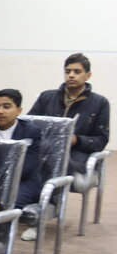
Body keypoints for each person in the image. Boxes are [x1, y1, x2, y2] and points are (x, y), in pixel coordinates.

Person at [28, 52, 110, 189]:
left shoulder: (100, 103)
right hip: (45, 149)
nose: (71, 75)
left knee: (54, 160)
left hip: (76, 155)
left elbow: (101, 140)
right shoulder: (46, 97)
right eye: (67, 71)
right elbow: (29, 125)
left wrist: (77, 140)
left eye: (77, 71)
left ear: (88, 75)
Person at [0, 88, 43, 213]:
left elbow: (27, 168)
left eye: (6, 107)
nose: (0, 111)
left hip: (20, 182)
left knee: (6, 204)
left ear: (18, 110)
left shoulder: (30, 131)